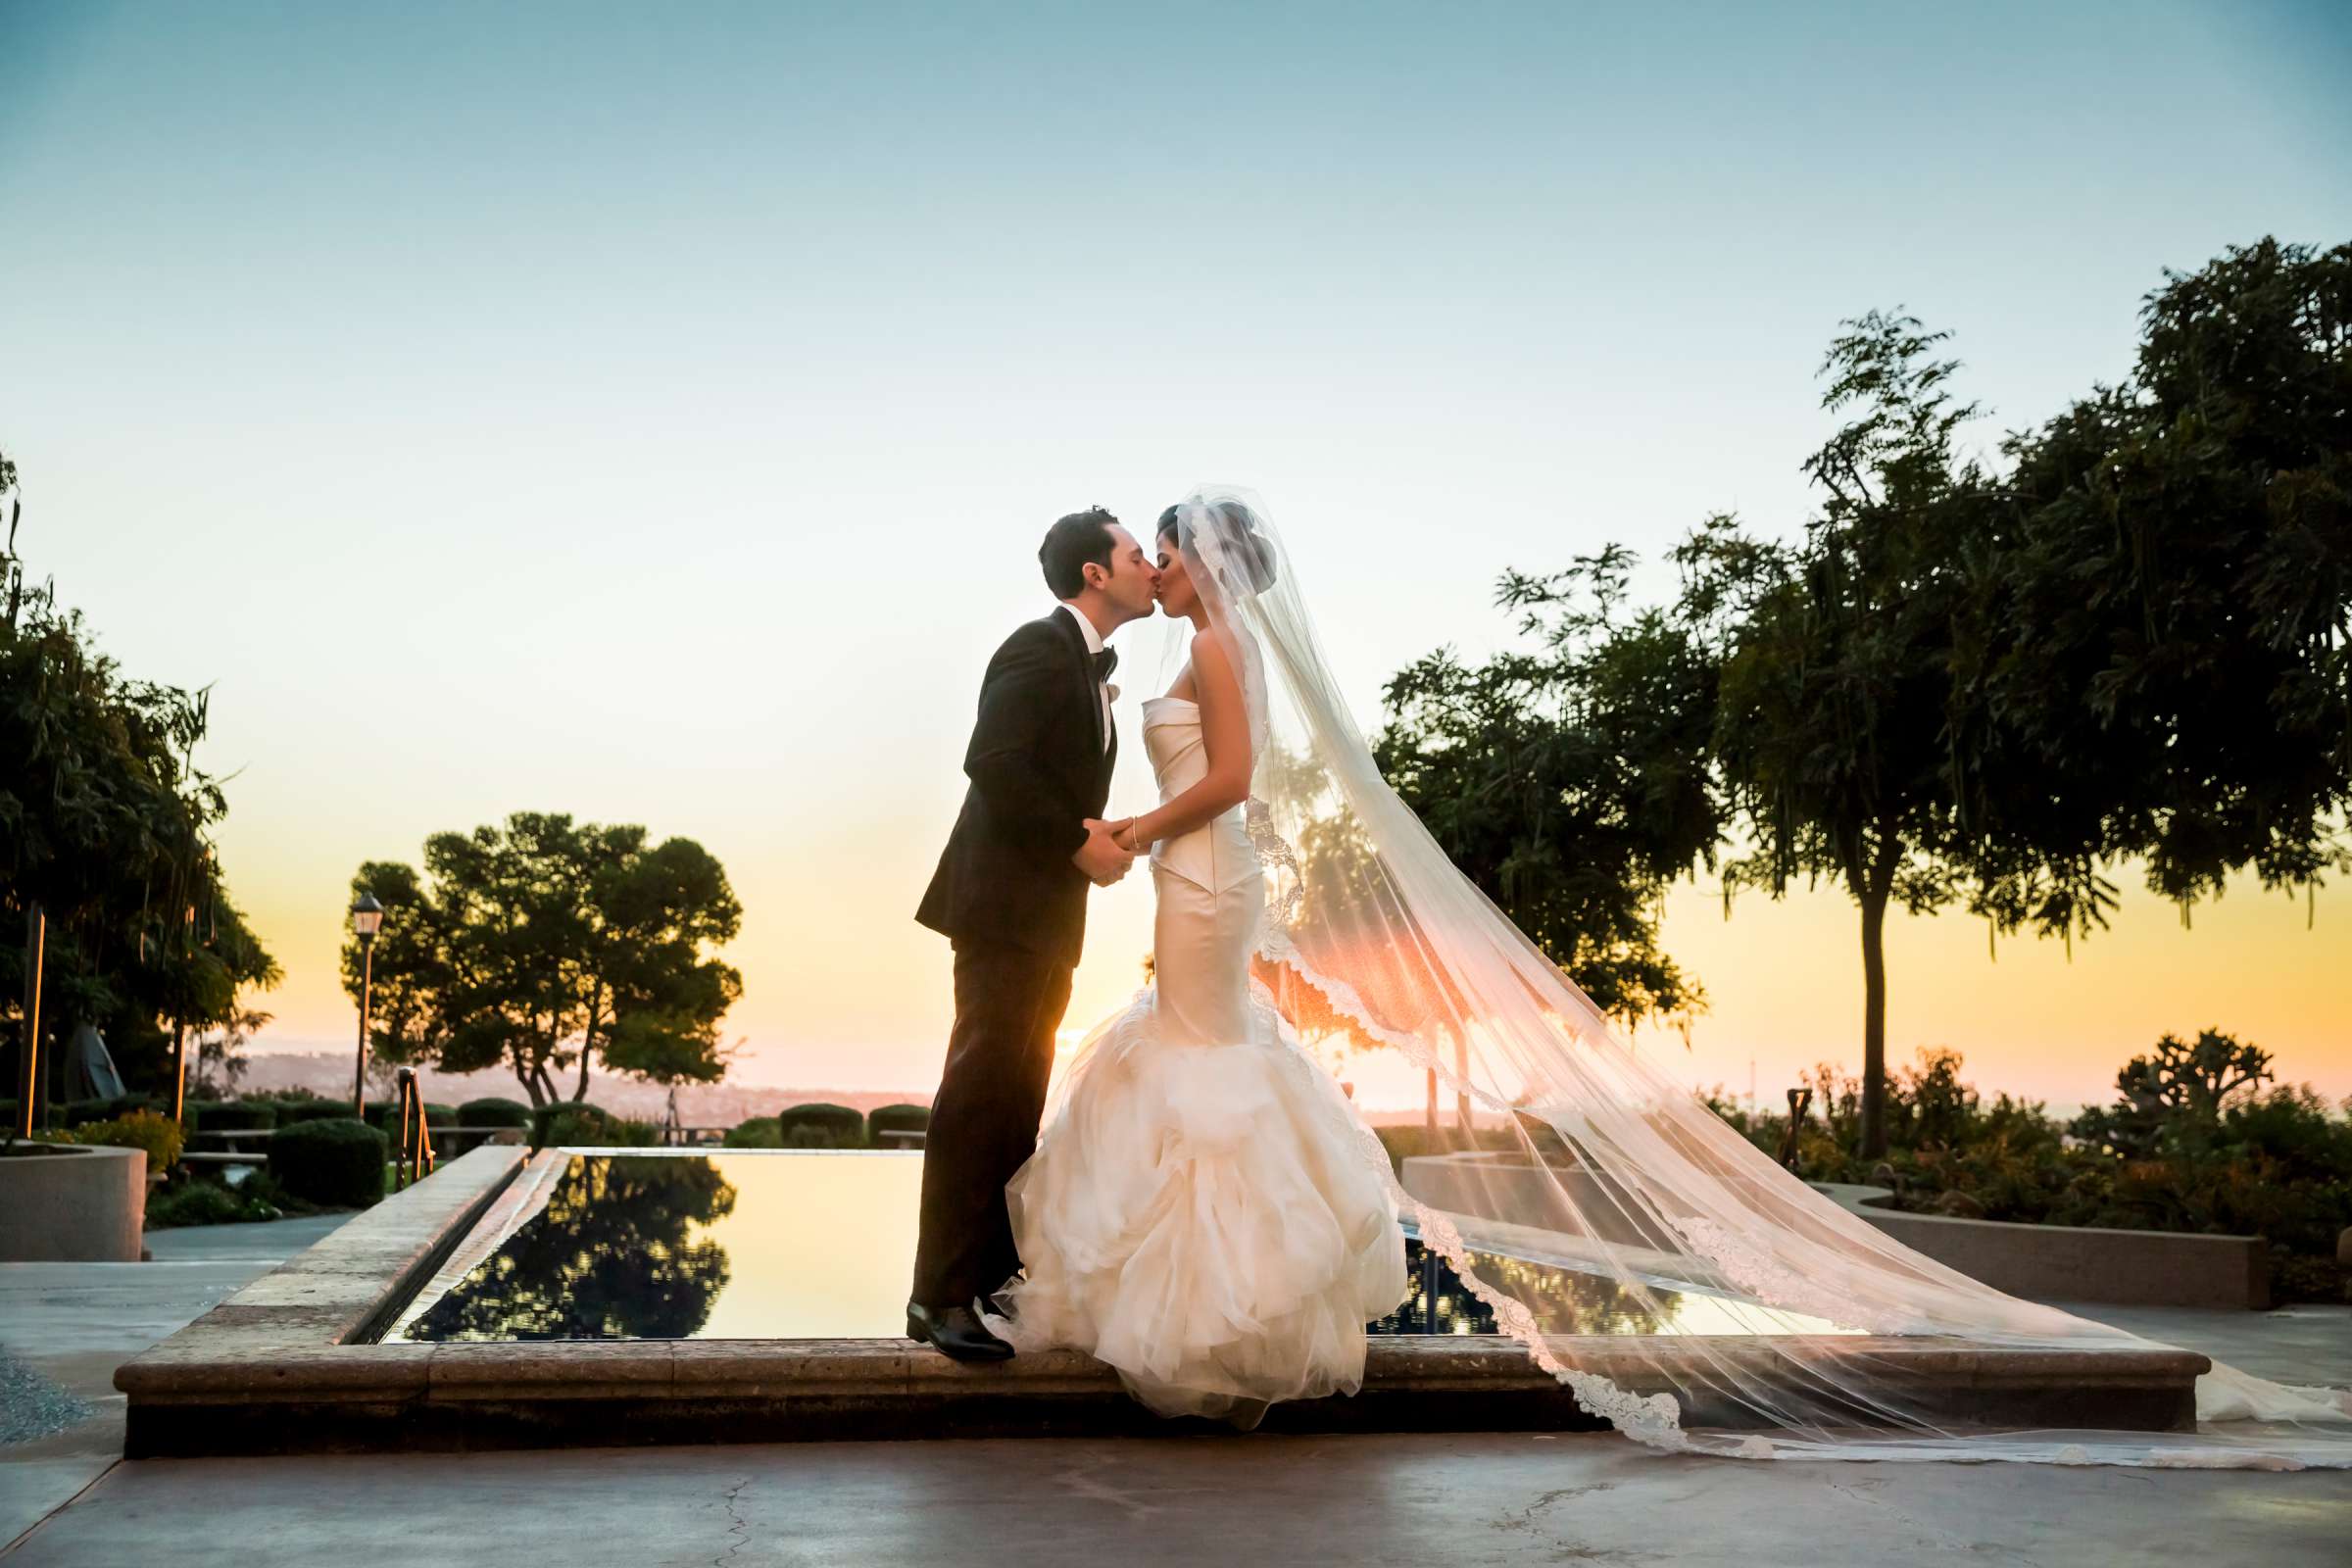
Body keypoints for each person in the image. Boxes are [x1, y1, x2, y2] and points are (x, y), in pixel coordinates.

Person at [906, 506, 1156, 1362]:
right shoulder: (1036, 646)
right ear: (1095, 572)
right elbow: (995, 762)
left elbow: (1048, 786)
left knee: (1016, 1100)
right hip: (1001, 909)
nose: (1147, 567)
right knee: (979, 1092)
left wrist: (1102, 836)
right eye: (1134, 554)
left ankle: (983, 1282)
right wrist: (1074, 840)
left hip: (1046, 918)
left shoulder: (1087, 673)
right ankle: (935, 1295)